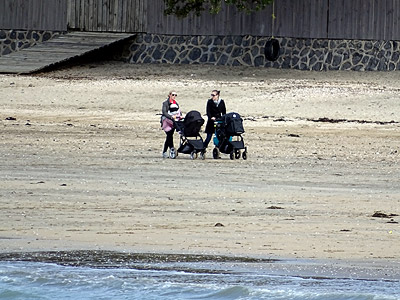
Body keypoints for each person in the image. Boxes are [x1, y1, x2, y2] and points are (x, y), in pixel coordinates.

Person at [161, 91, 182, 158]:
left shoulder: (176, 103)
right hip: (166, 121)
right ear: (169, 95)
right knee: (169, 135)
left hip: (174, 121)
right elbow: (164, 112)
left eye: (175, 95)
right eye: (173, 95)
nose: (174, 96)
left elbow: (178, 111)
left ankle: (166, 151)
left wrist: (180, 116)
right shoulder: (165, 103)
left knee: (169, 136)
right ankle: (171, 148)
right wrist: (170, 117)